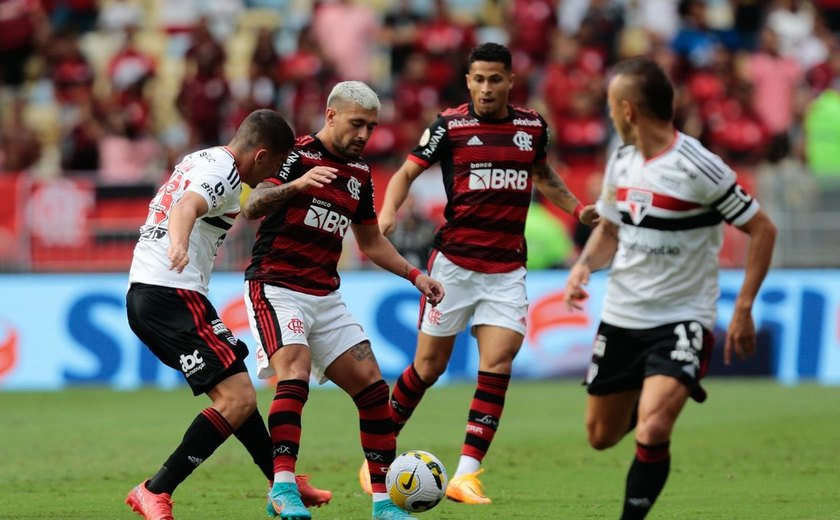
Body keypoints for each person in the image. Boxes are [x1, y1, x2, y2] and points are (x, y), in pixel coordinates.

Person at [364, 42, 598, 505]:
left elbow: (544, 175)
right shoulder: (450, 126)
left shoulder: (532, 128)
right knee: (428, 368)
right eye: (479, 79)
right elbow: (408, 172)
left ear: (510, 81)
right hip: (453, 265)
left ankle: (466, 474)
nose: (487, 88)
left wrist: (579, 209)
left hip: (507, 268)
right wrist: (388, 212)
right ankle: (377, 451)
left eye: (496, 79)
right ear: (468, 81)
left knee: (498, 364)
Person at [562, 57, 777, 519]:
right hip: (622, 315)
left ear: (628, 109)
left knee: (653, 427)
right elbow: (611, 230)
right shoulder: (621, 160)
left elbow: (762, 229)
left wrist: (742, 307)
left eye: (610, 106)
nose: (609, 115)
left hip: (682, 317)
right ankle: (649, 387)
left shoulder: (699, 166)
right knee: (601, 436)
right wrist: (583, 267)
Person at [242, 81, 445, 520]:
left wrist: (415, 275)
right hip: (276, 285)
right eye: (357, 124)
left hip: (324, 294)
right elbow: (252, 205)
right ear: (331, 116)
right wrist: (296, 185)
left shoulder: (360, 174)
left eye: (370, 128)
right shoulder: (294, 153)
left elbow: (370, 242)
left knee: (373, 388)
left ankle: (384, 502)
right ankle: (282, 488)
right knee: (292, 374)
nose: (363, 135)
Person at [124, 109, 331, 520]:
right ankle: (154, 489)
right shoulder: (225, 173)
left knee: (235, 393)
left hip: (159, 291)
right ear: (261, 155)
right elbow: (186, 207)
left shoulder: (203, 157)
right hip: (169, 291)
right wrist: (180, 244)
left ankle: (281, 481)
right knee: (237, 397)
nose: (273, 174)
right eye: (275, 165)